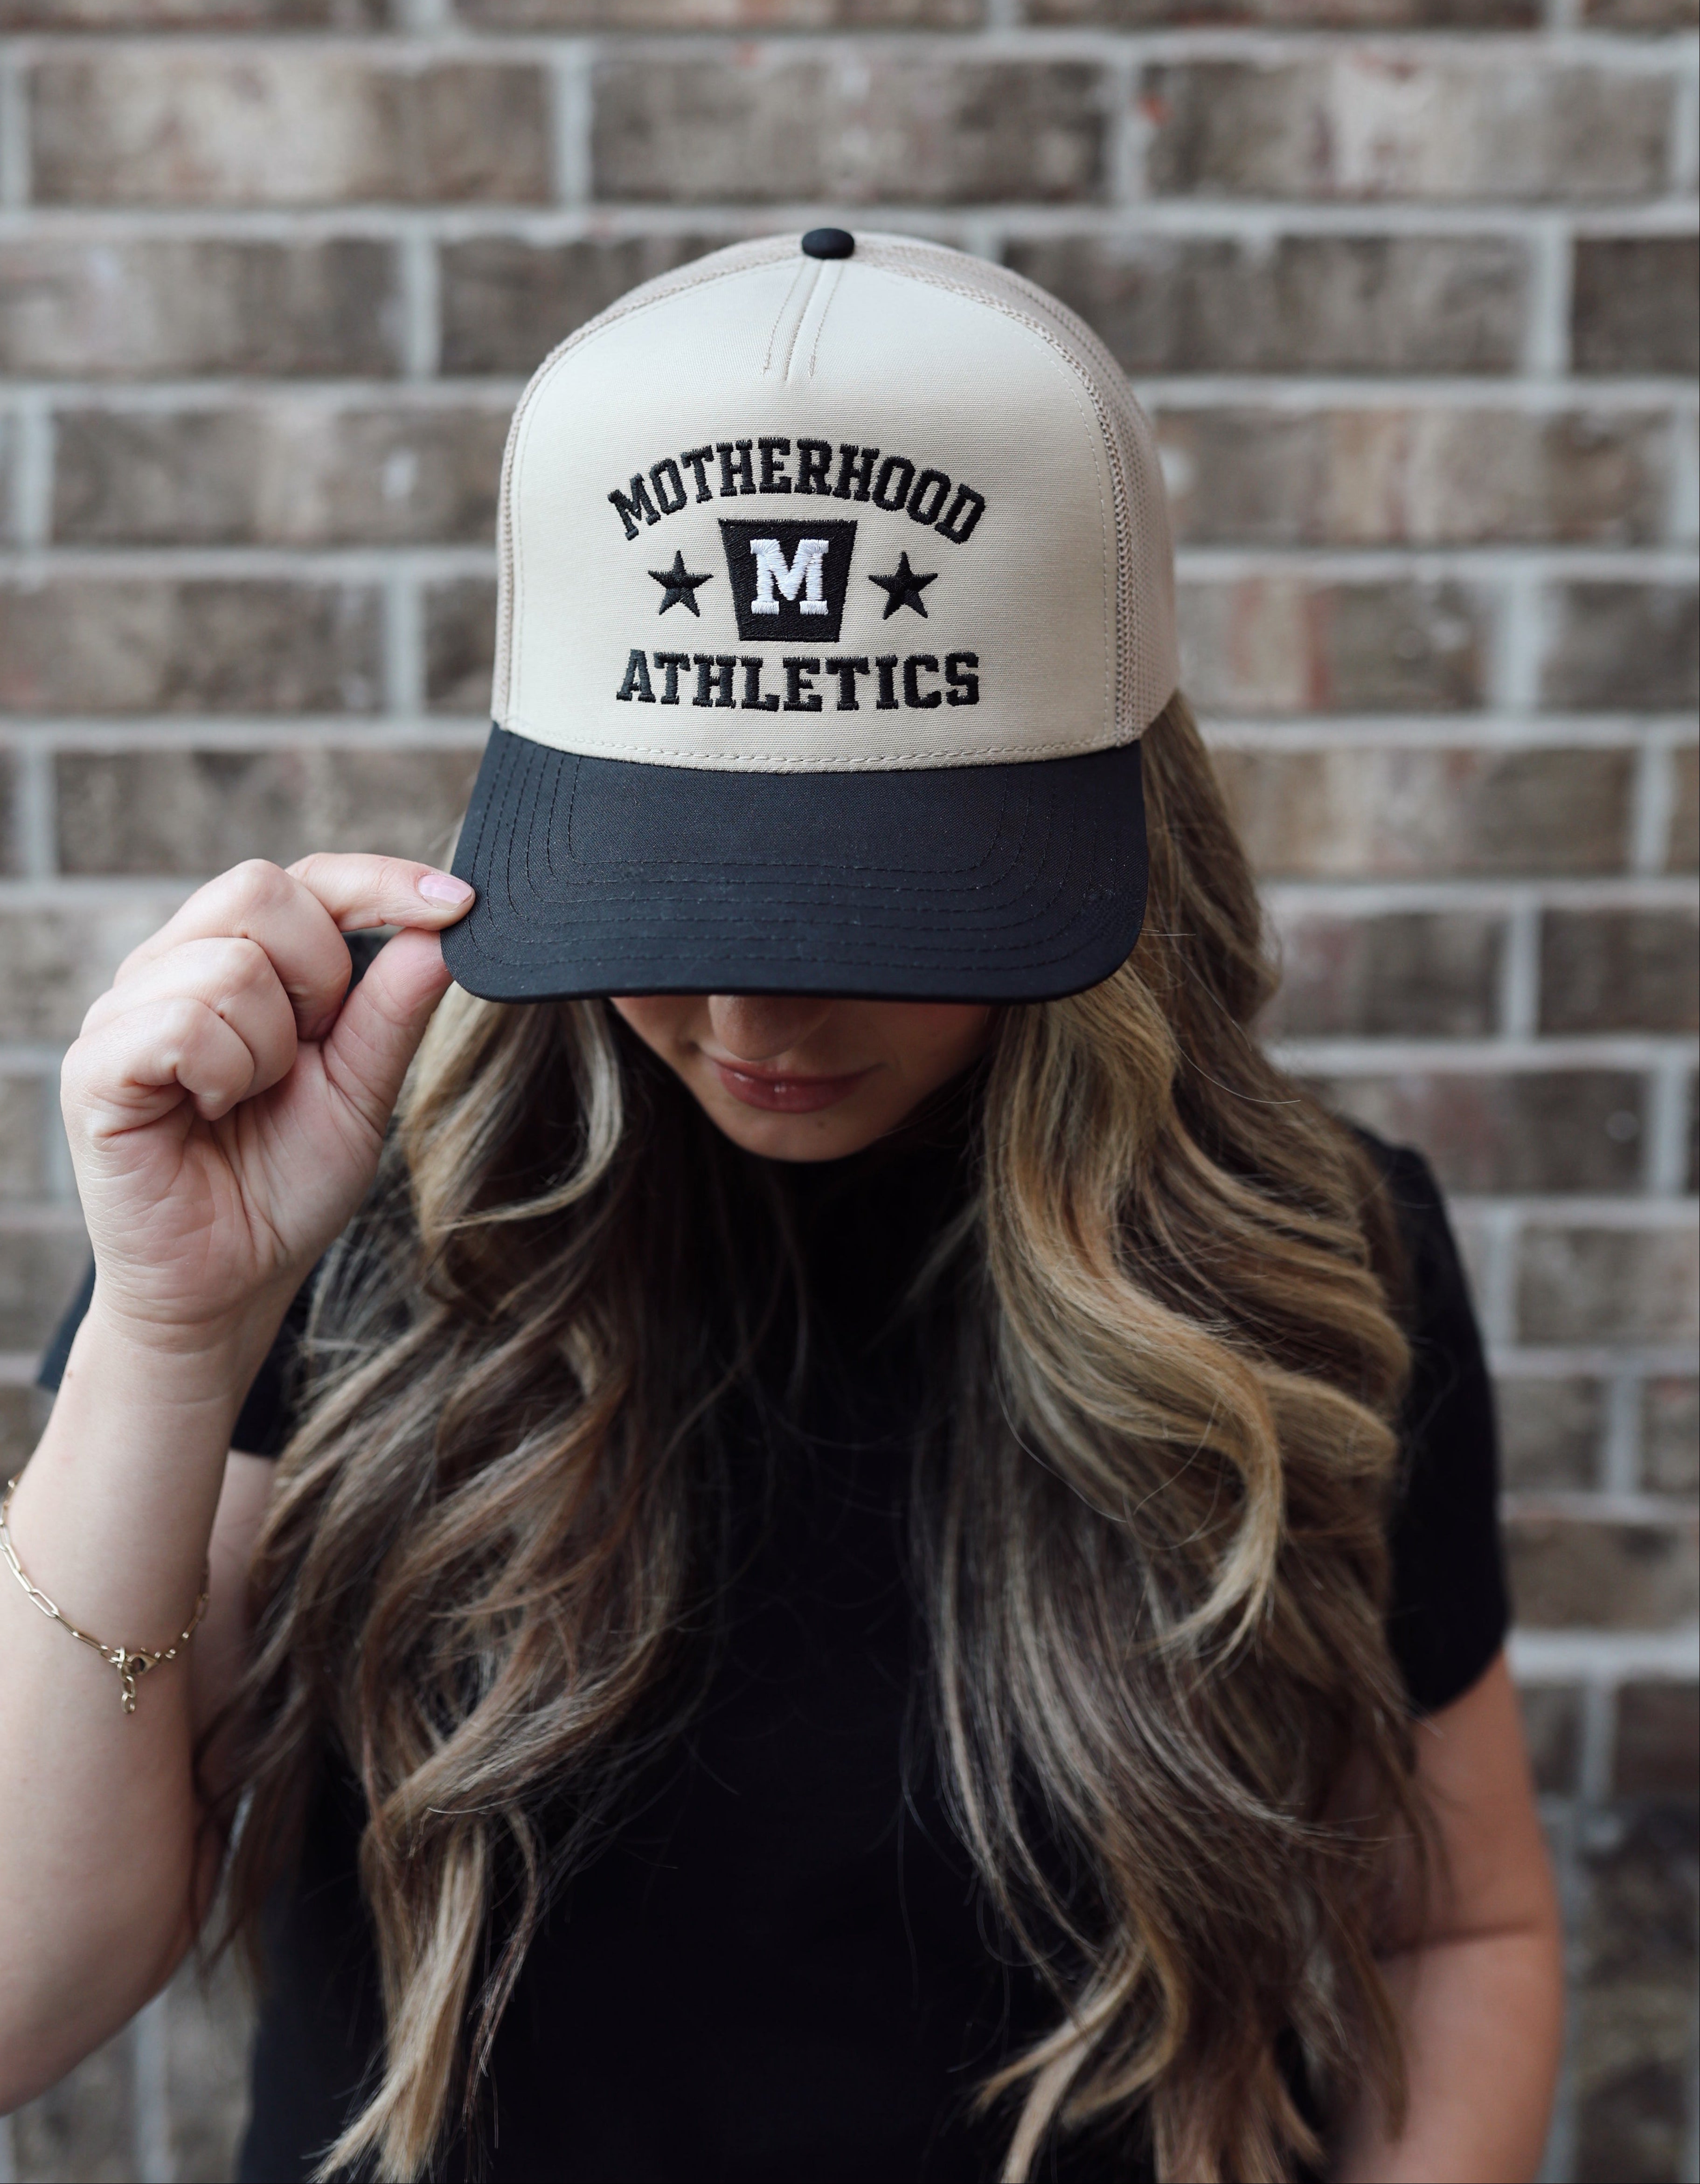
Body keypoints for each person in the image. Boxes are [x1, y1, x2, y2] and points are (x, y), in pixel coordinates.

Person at [1, 232, 1561, 2184]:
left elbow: (1460, 1934)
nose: (752, 1016)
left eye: (869, 907)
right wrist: (168, 1332)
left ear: (1111, 823)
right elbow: (20, 1994)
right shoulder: (332, 1232)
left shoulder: (1313, 1250)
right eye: (683, 898)